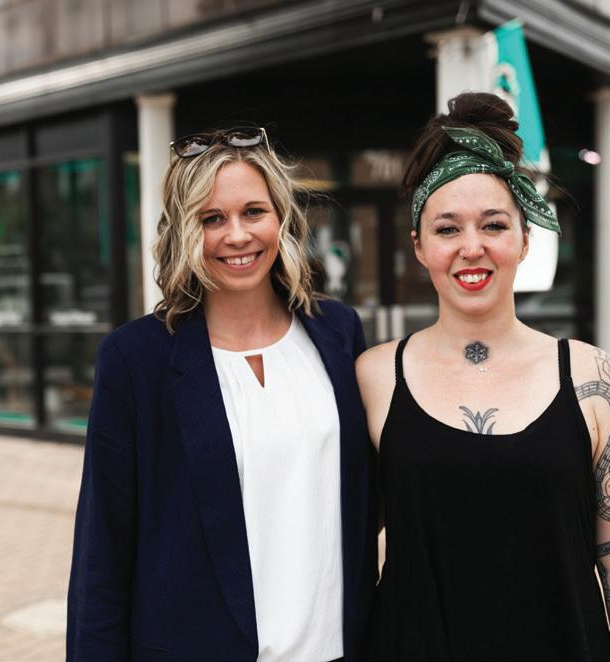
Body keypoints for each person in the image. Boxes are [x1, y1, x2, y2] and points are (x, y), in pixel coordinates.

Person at [358, 93, 610, 661]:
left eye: (494, 225)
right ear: (419, 246)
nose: (471, 247)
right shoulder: (374, 376)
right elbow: (339, 542)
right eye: (447, 229)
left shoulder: (593, 378)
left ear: (525, 239)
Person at [67, 126, 378, 661]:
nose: (237, 235)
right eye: (212, 218)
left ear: (282, 218)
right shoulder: (135, 358)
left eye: (254, 212)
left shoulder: (338, 331)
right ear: (184, 230)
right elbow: (104, 547)